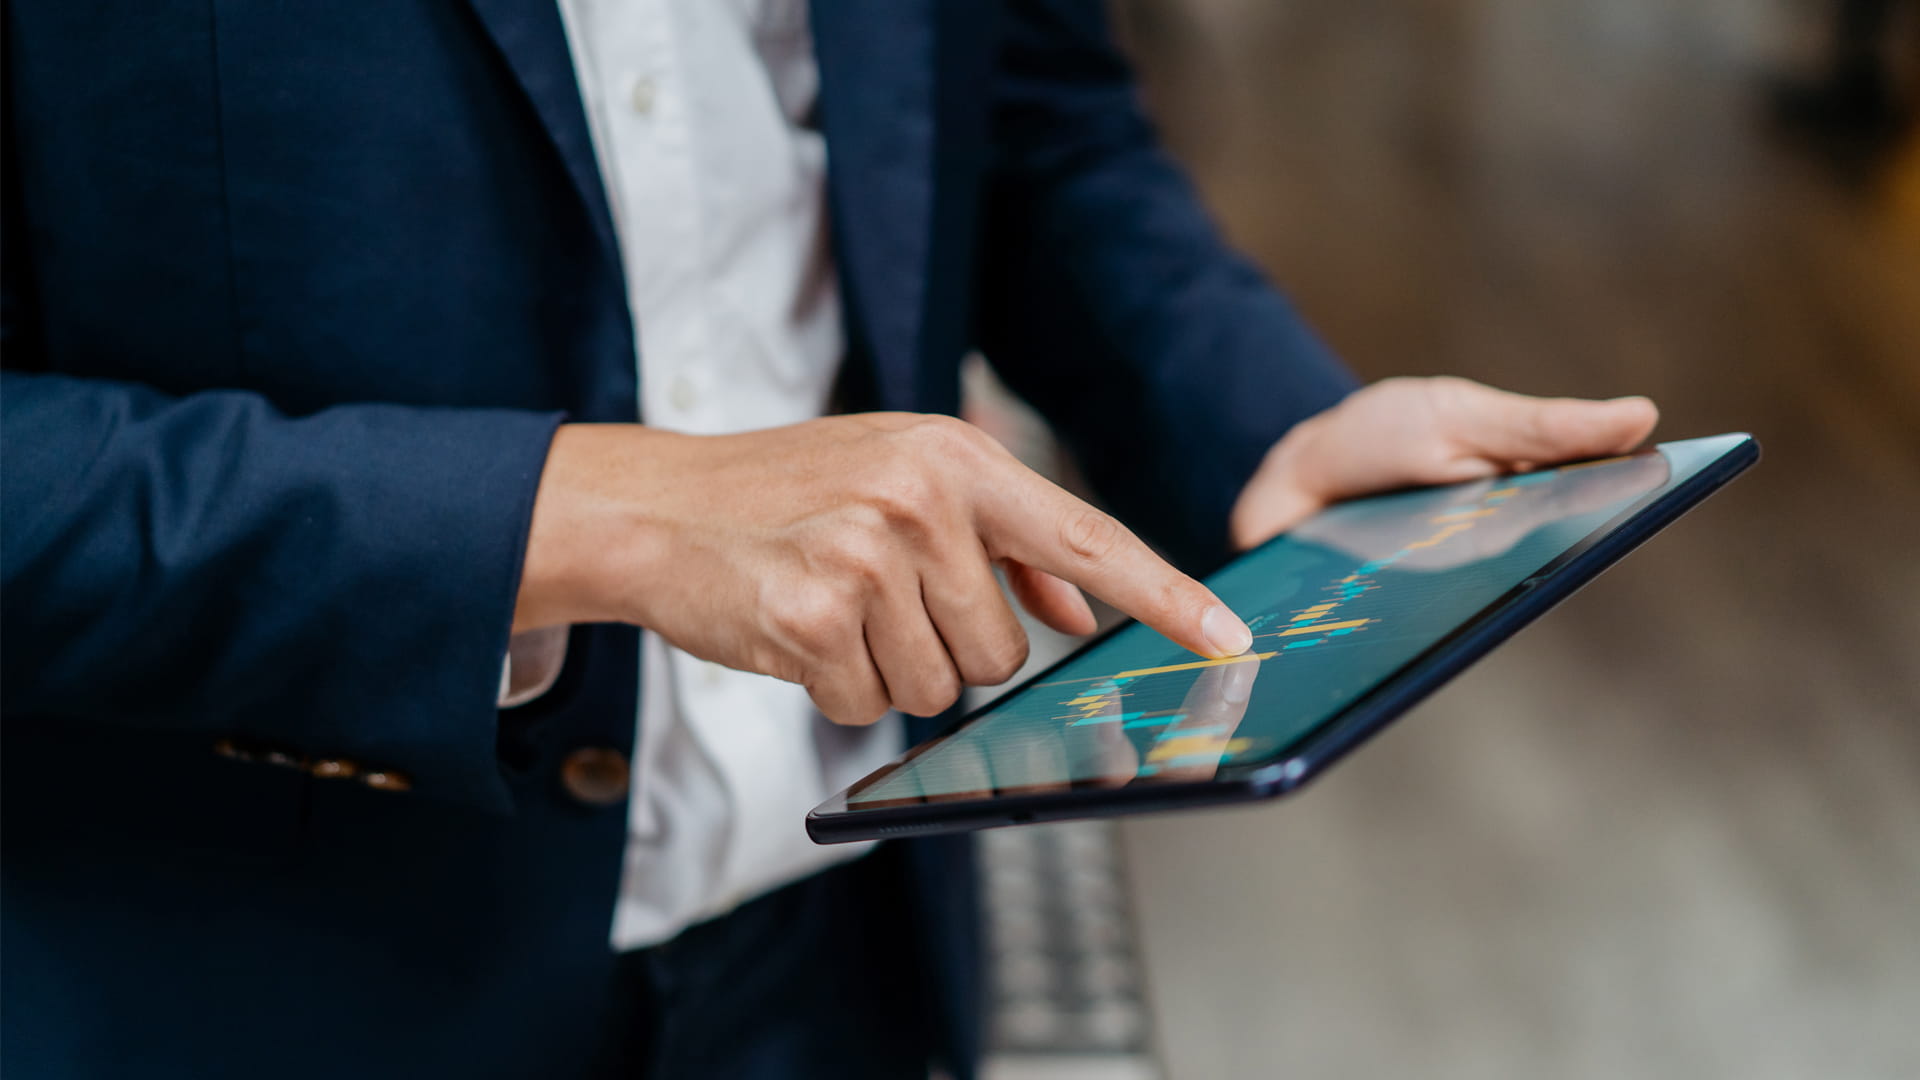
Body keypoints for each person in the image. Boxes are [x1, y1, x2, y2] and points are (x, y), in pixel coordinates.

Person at [0, 1, 1659, 1077]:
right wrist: (580, 515)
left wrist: (1255, 418)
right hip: (245, 977)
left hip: (839, 941)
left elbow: (1021, 111)